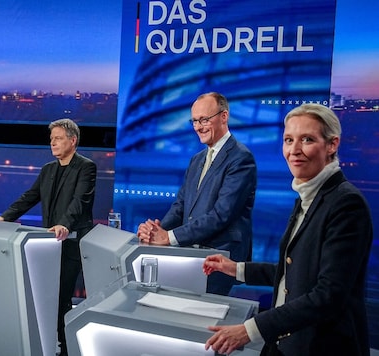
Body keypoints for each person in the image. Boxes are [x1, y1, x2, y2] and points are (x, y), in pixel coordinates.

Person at [203, 103, 373, 356]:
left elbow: (328, 295)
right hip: (287, 344)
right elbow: (298, 272)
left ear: (332, 145)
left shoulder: (346, 204)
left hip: (321, 347)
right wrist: (236, 269)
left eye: (307, 139)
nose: (294, 150)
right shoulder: (308, 196)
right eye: (288, 140)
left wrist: (250, 330)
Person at [0, 118, 96, 356]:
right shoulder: (48, 169)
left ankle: (66, 348)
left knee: (61, 299)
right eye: (51, 139)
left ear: (73, 140)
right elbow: (30, 196)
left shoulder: (86, 167)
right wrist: (5, 217)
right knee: (45, 299)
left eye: (58, 138)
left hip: (71, 242)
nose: (53, 143)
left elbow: (80, 202)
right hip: (48, 245)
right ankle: (48, 346)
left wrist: (64, 224)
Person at [137, 92, 257, 295]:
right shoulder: (197, 159)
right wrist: (157, 231)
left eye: (204, 120)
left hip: (220, 257)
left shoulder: (241, 158)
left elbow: (222, 214)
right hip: (191, 254)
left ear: (224, 116)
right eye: (194, 121)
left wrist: (169, 237)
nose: (198, 127)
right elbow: (181, 205)